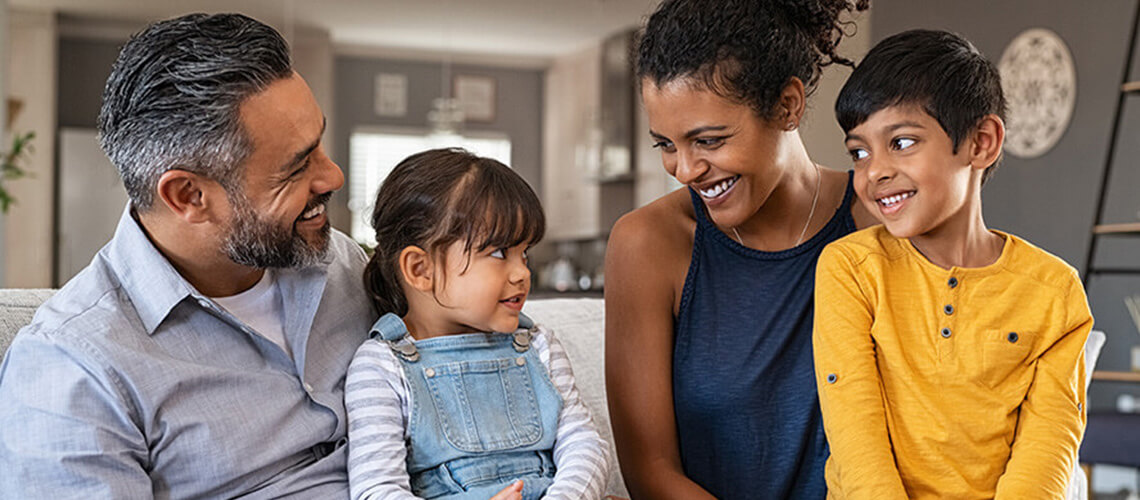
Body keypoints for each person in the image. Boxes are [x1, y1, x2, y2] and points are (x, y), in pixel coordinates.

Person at [0, 13, 377, 498]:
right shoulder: (73, 368)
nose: (333, 177)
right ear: (187, 196)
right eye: (297, 167)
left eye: (318, 144)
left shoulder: (340, 263)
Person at [604, 0, 874, 498]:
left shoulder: (880, 219)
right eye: (666, 144)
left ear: (787, 106)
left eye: (708, 140)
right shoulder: (646, 244)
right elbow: (650, 470)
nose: (685, 169)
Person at [813, 29, 1093, 499]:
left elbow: (1047, 453)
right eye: (859, 152)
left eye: (901, 142)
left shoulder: (1054, 291)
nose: (874, 170)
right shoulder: (851, 269)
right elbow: (856, 442)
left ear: (981, 142)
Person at [345, 148, 610, 500]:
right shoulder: (381, 368)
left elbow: (584, 442)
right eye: (499, 253)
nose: (522, 273)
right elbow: (377, 491)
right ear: (420, 270)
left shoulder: (538, 345)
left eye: (524, 253)